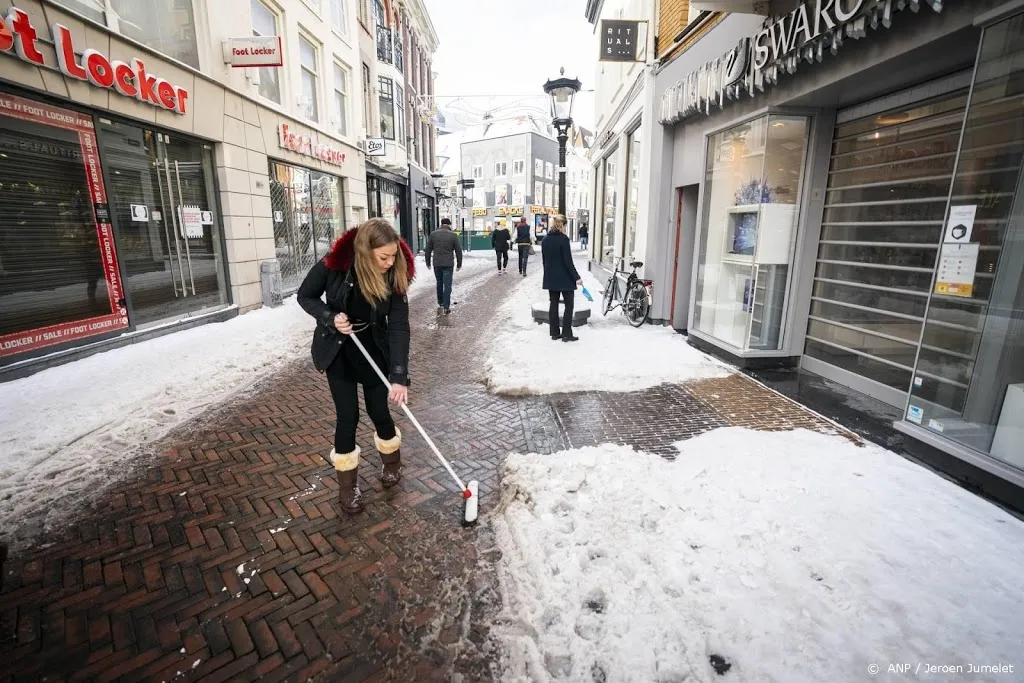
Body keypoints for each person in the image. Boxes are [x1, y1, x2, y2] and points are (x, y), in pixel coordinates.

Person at [297, 218, 414, 515]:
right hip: (339, 349)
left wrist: (398, 375)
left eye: (393, 256)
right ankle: (348, 487)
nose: (389, 262)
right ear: (364, 252)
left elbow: (398, 326)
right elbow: (305, 296)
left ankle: (392, 464)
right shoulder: (333, 265)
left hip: (373, 349)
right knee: (347, 416)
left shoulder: (394, 274)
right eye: (382, 257)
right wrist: (329, 316)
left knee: (379, 411)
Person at [542, 214, 583, 343]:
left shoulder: (545, 240)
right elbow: (568, 261)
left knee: (553, 304)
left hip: (551, 277)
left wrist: (548, 274)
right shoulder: (563, 240)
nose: (566, 229)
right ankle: (566, 333)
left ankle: (554, 333)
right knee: (569, 304)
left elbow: (544, 261)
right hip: (565, 278)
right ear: (562, 225)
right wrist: (576, 277)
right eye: (565, 226)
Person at [424, 217, 463, 314]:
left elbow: (428, 249)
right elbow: (458, 251)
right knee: (447, 284)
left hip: (437, 263)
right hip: (448, 264)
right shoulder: (453, 235)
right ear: (449, 225)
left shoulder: (433, 234)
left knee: (439, 282)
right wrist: (459, 264)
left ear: (441, 224)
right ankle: (446, 306)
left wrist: (428, 262)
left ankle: (440, 302)